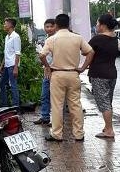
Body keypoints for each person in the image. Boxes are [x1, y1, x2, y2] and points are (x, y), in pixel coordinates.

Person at [40, 13, 93, 142]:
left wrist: (47, 66)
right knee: (75, 105)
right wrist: (83, 67)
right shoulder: (77, 38)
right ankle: (79, 134)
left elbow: (42, 55)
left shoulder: (51, 39)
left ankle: (57, 134)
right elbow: (90, 52)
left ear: (56, 25)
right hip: (73, 74)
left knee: (57, 105)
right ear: (69, 24)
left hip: (57, 74)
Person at [78, 13, 119, 139]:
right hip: (112, 73)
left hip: (99, 74)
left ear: (103, 25)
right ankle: (107, 127)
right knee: (108, 101)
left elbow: (86, 52)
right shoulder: (114, 38)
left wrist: (82, 68)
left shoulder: (97, 39)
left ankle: (109, 130)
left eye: (97, 23)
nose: (96, 26)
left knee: (103, 102)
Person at [33, 19, 56, 125]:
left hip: (56, 71)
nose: (49, 29)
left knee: (56, 97)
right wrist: (46, 66)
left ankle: (56, 120)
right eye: (47, 27)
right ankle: (45, 116)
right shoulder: (47, 39)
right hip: (47, 71)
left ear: (55, 26)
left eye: (51, 26)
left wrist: (48, 66)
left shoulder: (57, 39)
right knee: (44, 95)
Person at [0, 18, 21, 108]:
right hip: (7, 65)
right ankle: (4, 105)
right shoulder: (7, 37)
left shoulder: (15, 37)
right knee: (1, 83)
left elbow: (17, 53)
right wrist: (1, 66)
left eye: (5, 24)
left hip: (12, 65)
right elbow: (6, 53)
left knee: (13, 85)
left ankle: (16, 107)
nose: (4, 25)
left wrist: (16, 67)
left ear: (11, 25)